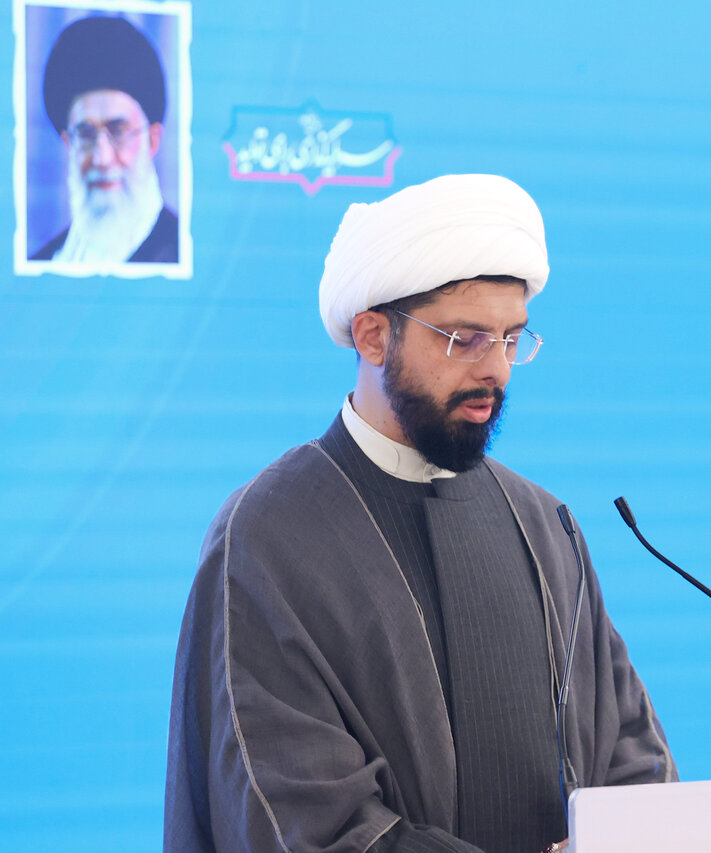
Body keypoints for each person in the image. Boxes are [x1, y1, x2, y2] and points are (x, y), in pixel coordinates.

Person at [165, 174, 677, 853]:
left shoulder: (544, 525)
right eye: (465, 339)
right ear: (373, 337)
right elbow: (302, 821)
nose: (497, 370)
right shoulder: (269, 537)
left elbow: (633, 762)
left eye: (511, 338)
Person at [31, 15, 178, 264]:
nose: (102, 158)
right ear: (69, 143)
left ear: (152, 140)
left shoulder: (182, 253)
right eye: (86, 134)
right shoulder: (46, 263)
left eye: (118, 132)